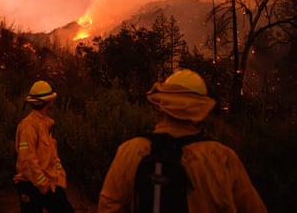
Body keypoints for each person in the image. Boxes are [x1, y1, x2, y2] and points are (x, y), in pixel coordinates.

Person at [98, 69, 268, 213]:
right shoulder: (223, 158)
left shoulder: (130, 151)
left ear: (162, 106)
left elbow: (108, 206)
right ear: (201, 111)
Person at [13, 80, 75, 213]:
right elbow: (27, 160)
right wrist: (43, 184)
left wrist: (59, 174)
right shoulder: (29, 126)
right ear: (48, 102)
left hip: (49, 183)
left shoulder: (46, 124)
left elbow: (52, 155)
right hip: (31, 185)